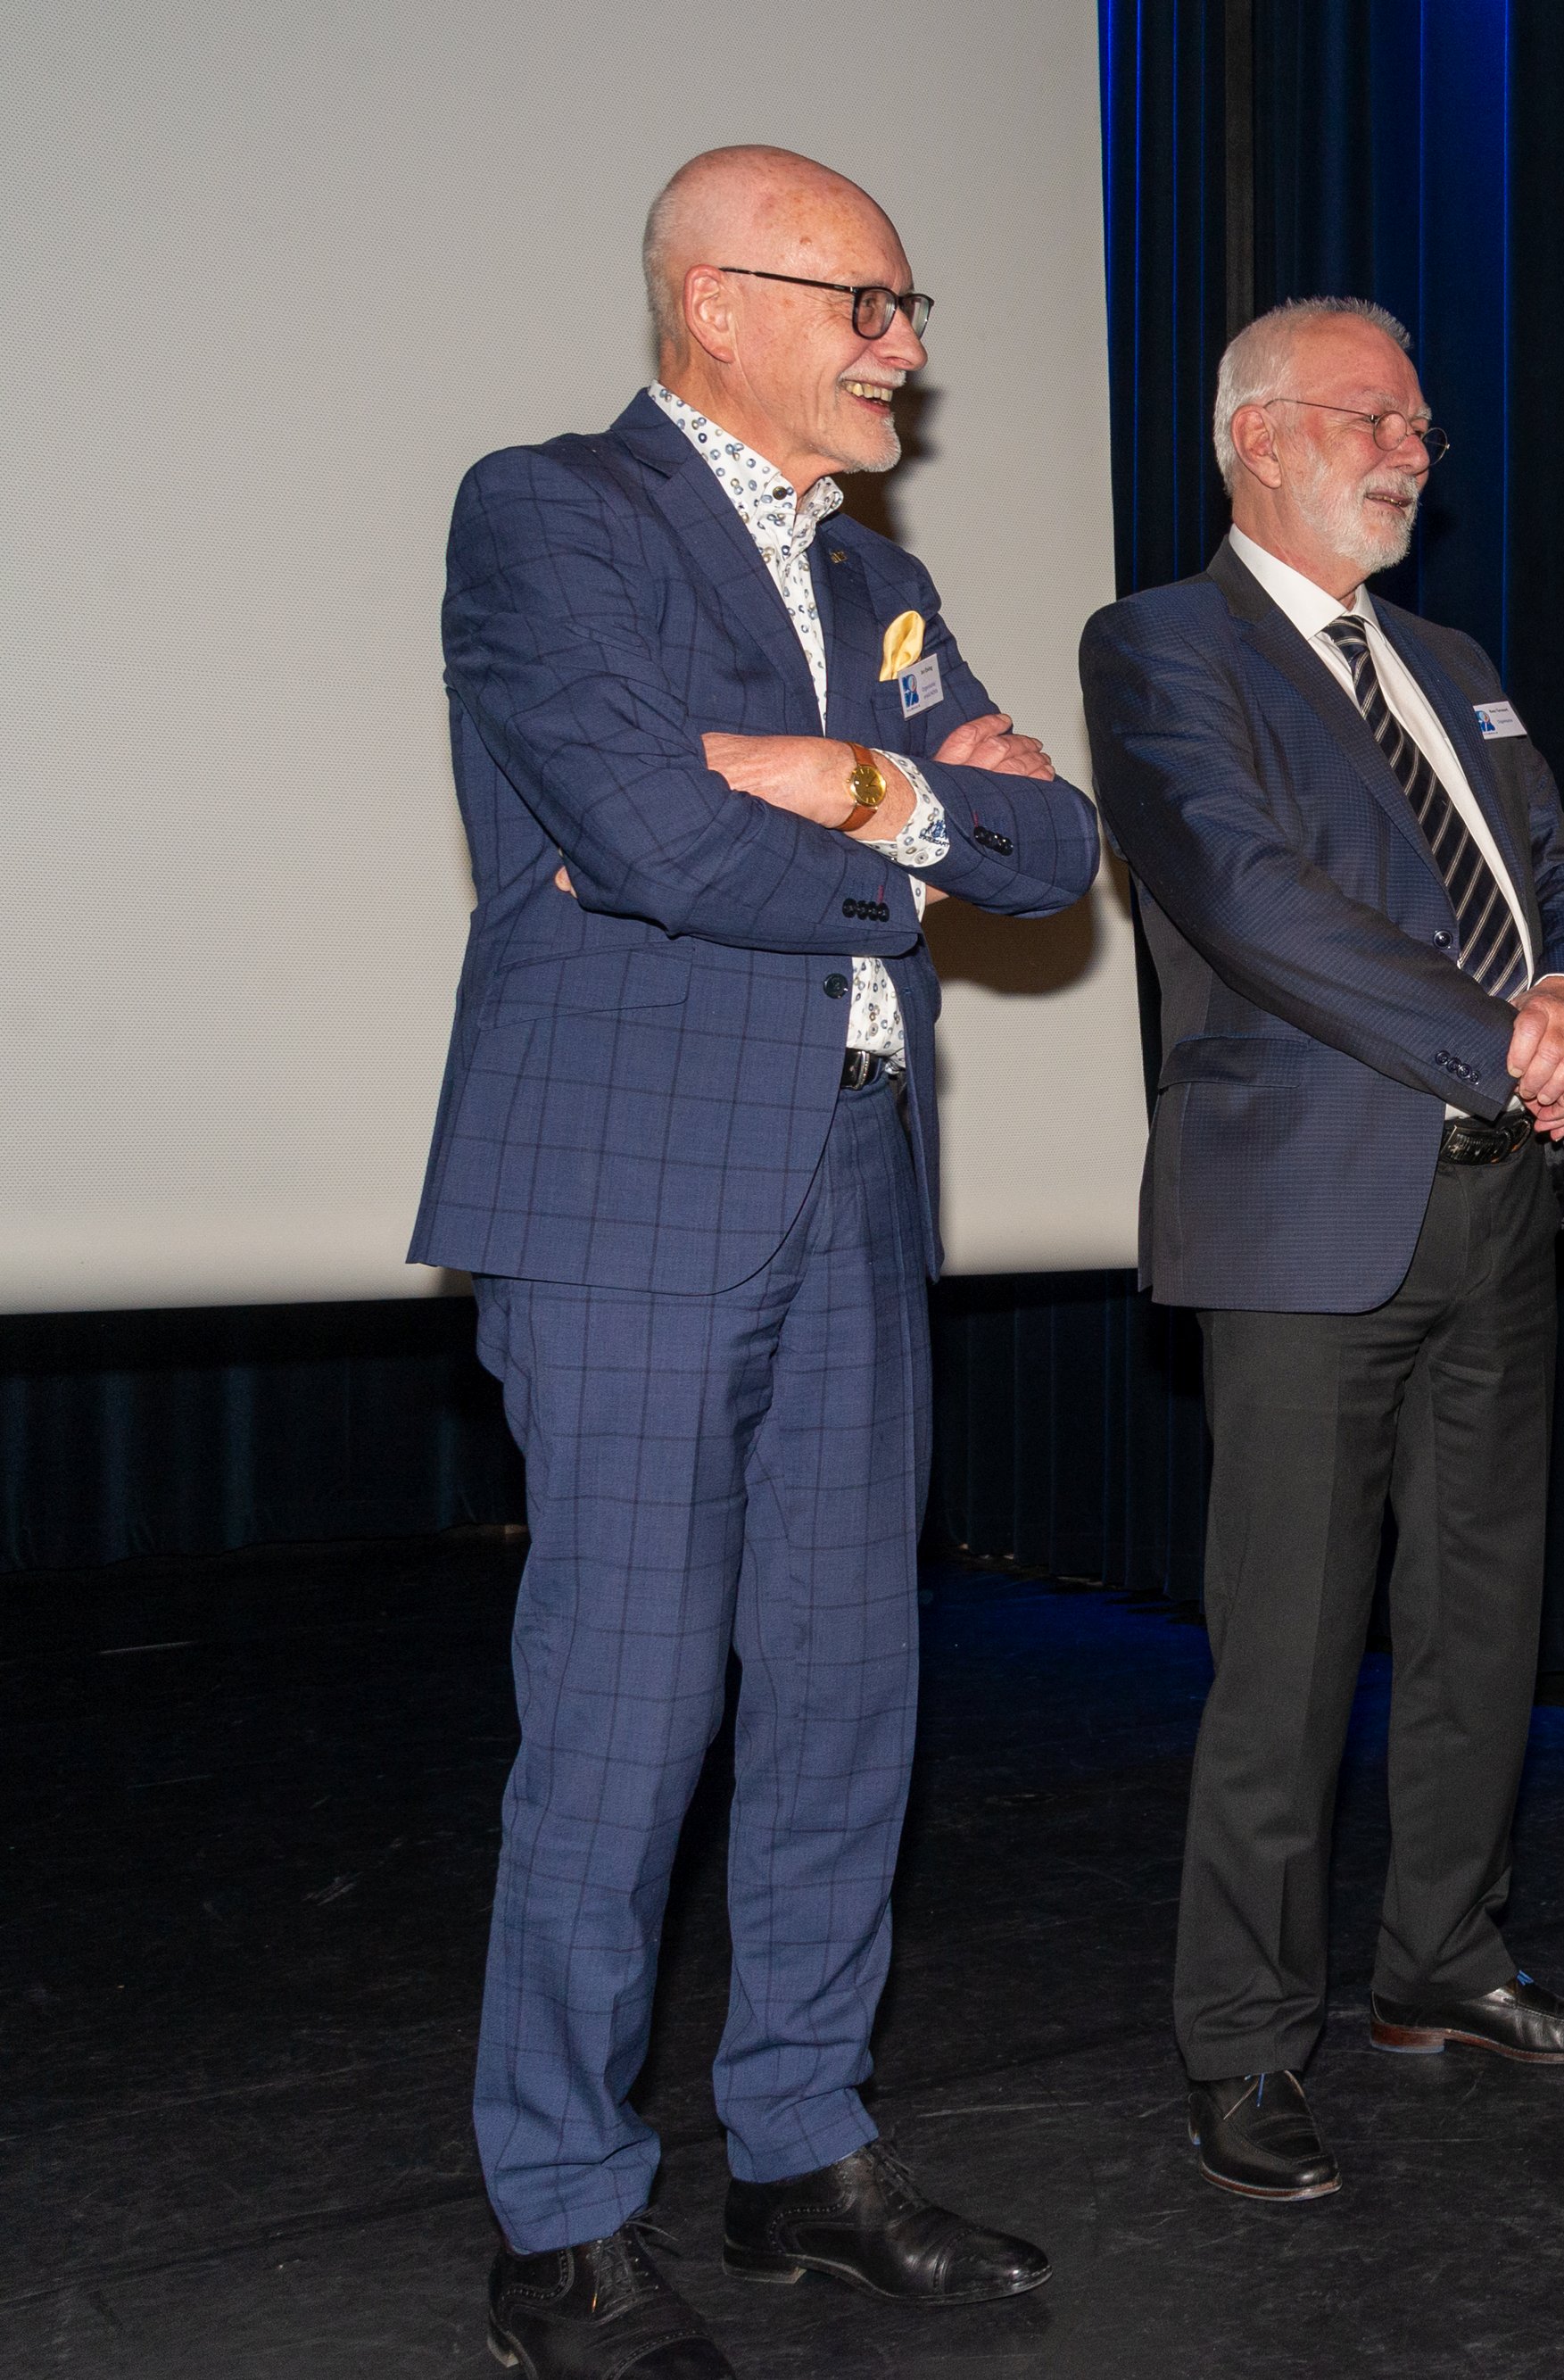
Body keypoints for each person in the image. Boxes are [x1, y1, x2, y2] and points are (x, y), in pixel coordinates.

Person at [415, 145, 1099, 2376]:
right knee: (624, 1718)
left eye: (906, 310)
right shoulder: (552, 514)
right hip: (626, 1195)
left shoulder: (875, 571)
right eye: (863, 305)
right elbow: (642, 835)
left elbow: (1054, 840)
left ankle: (801, 2143)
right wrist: (911, 822)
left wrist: (843, 779)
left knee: (844, 1693)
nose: (903, 348)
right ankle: (560, 2217)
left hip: (854, 1185)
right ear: (716, 305)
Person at [1078, 295, 1564, 2205]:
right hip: (1307, 1217)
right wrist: (1500, 1033)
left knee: (1483, 1618)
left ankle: (1444, 1963)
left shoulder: (1451, 662)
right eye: (1369, 418)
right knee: (1291, 1645)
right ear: (1255, 437)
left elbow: (1560, 867)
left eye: (1418, 427)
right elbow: (1255, 903)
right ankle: (1243, 2039)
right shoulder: (1161, 646)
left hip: (1501, 1198)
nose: (1409, 451)